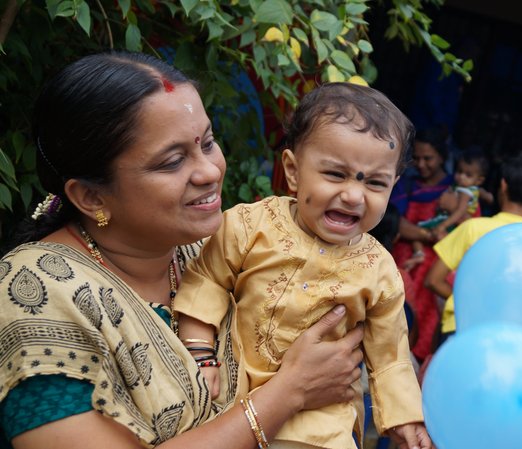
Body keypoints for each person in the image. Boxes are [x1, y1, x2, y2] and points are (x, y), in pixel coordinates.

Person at [0, 51, 364, 449]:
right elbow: (299, 382)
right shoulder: (33, 293)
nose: (210, 171)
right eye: (172, 161)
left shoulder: (221, 251)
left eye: (208, 143)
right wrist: (289, 393)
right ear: (91, 196)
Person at [173, 83, 430, 449]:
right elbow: (207, 279)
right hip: (232, 401)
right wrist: (200, 352)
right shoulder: (250, 225)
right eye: (336, 174)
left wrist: (405, 417)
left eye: (375, 183)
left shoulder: (380, 270)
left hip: (319, 428)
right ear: (293, 171)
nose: (354, 195)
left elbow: (390, 354)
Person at [424, 150, 522, 347]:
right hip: (505, 337)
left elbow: (433, 280)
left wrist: (468, 301)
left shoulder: (472, 228)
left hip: (460, 327)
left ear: (503, 185)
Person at [389, 128, 452, 361]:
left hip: (435, 271)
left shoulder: (455, 192)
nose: (421, 164)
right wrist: (430, 235)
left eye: (429, 158)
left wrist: (415, 231)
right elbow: (395, 222)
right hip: (404, 263)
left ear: (442, 157)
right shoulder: (405, 185)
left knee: (427, 325)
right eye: (417, 158)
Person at [405, 151, 488, 270]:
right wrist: (489, 197)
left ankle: (419, 254)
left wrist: (443, 225)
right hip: (453, 223)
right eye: (459, 171)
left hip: (449, 222)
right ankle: (420, 254)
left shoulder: (465, 191)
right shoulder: (471, 188)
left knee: (419, 231)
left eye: (468, 175)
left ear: (479, 180)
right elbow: (484, 194)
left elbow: (460, 211)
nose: (461, 177)